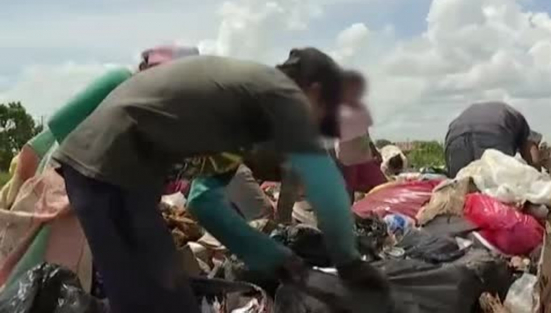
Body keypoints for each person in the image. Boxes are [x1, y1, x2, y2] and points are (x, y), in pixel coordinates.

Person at [53, 48, 388, 313]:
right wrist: (347, 261)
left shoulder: (241, 124)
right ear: (313, 93)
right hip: (105, 164)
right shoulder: (276, 92)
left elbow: (205, 202)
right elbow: (323, 179)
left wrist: (277, 259)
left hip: (121, 176)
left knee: (170, 294)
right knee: (140, 294)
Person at [444, 102, 541, 177]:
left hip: (455, 136)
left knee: (459, 181)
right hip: (494, 132)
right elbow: (532, 154)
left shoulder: (511, 115)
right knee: (498, 183)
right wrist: (538, 175)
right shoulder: (522, 125)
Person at [336, 71, 386, 196]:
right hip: (347, 158)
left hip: (363, 157)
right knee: (348, 190)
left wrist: (374, 151)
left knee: (382, 185)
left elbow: (365, 133)